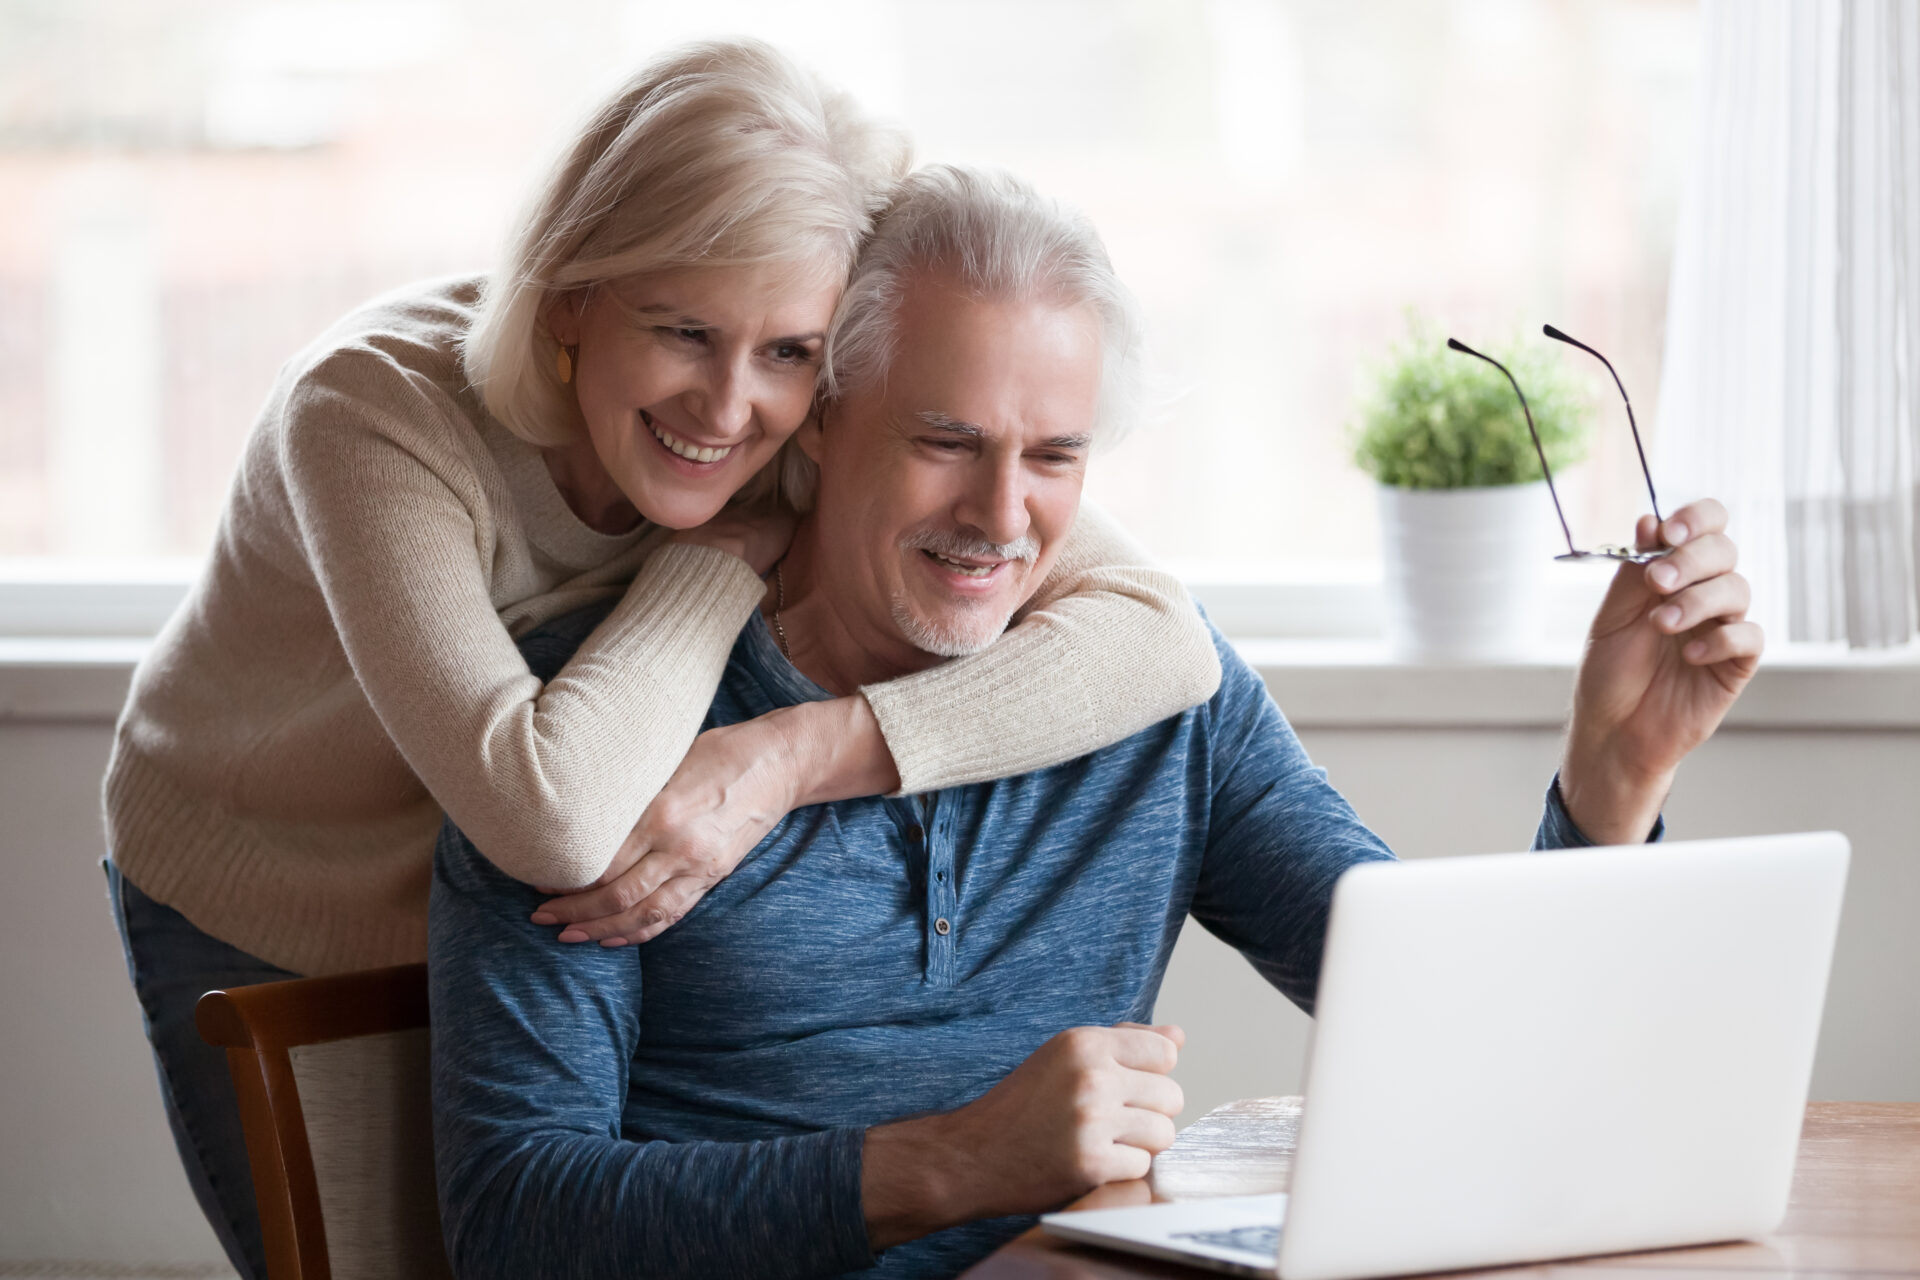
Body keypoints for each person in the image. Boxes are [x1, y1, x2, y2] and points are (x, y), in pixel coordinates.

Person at [428, 165, 1760, 1280]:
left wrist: (1611, 782)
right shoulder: (599, 734)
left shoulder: (1158, 701)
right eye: (947, 440)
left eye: (1054, 456)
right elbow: (516, 1219)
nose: (1004, 516)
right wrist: (950, 1161)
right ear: (822, 421)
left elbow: (1464, 1040)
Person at [102, 42, 1223, 1280]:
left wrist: (797, 752)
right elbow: (552, 817)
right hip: (276, 878)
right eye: (684, 329)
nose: (730, 408)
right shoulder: (368, 412)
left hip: (510, 884)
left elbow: (1164, 636)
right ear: (572, 297)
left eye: (791, 350)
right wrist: (718, 557)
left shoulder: (797, 404)